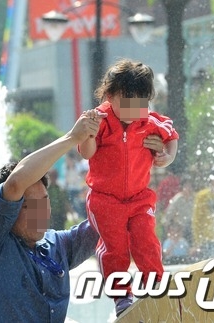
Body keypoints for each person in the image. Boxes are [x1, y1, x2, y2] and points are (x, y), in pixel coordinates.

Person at [0, 112, 101, 322]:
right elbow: (14, 184)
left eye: (44, 201)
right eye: (29, 205)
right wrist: (72, 139)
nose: (41, 212)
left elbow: (107, 221)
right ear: (7, 212)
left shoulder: (59, 245)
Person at [78, 58, 179, 316]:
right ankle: (122, 296)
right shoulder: (98, 120)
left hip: (139, 198)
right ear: (110, 96)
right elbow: (87, 153)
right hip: (105, 199)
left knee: (146, 241)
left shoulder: (150, 122)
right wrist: (89, 135)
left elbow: (172, 137)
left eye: (142, 103)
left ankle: (154, 285)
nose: (136, 109)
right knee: (116, 248)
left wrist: (167, 156)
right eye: (128, 102)